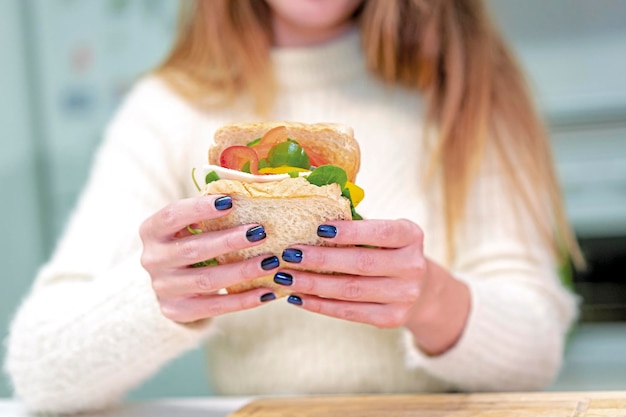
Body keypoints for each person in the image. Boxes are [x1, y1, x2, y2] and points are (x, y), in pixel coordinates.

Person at [5, 0, 583, 414]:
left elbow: (534, 356)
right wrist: (160, 294)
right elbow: (40, 371)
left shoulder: (469, 90)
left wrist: (429, 298)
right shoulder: (165, 109)